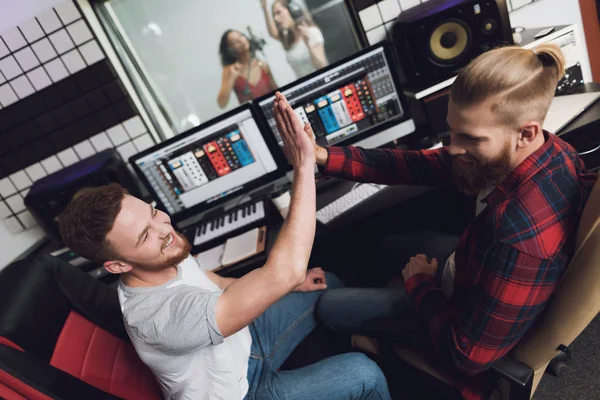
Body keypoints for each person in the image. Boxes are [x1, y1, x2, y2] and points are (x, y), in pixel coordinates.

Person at [277, 44, 598, 399]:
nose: (452, 148)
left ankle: (385, 348)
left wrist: (420, 285)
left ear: (526, 132)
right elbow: (417, 164)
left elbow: (467, 355)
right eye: (453, 132)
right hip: (472, 268)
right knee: (389, 244)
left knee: (329, 306)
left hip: (462, 326)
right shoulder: (551, 150)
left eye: (470, 139)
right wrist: (322, 155)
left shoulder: (519, 239)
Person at [58, 94, 391, 400]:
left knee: (323, 282)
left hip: (245, 340)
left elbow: (213, 282)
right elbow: (286, 272)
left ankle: (361, 335)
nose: (165, 229)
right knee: (364, 373)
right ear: (117, 265)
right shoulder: (160, 318)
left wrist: (293, 285)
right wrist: (303, 166)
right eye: (145, 236)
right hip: (240, 393)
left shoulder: (165, 254)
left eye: (154, 212)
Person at [261, 0, 328, 78]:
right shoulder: (287, 37)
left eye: (279, 13)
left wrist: (309, 46)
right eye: (274, 15)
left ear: (292, 11)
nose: (275, 19)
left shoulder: (312, 33)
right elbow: (273, 33)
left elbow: (322, 66)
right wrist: (264, 9)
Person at [217, 29, 278, 109]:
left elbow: (277, 92)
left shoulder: (262, 65)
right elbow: (221, 103)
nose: (241, 40)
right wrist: (232, 78)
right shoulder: (230, 70)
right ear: (230, 50)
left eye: (241, 36)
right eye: (235, 42)